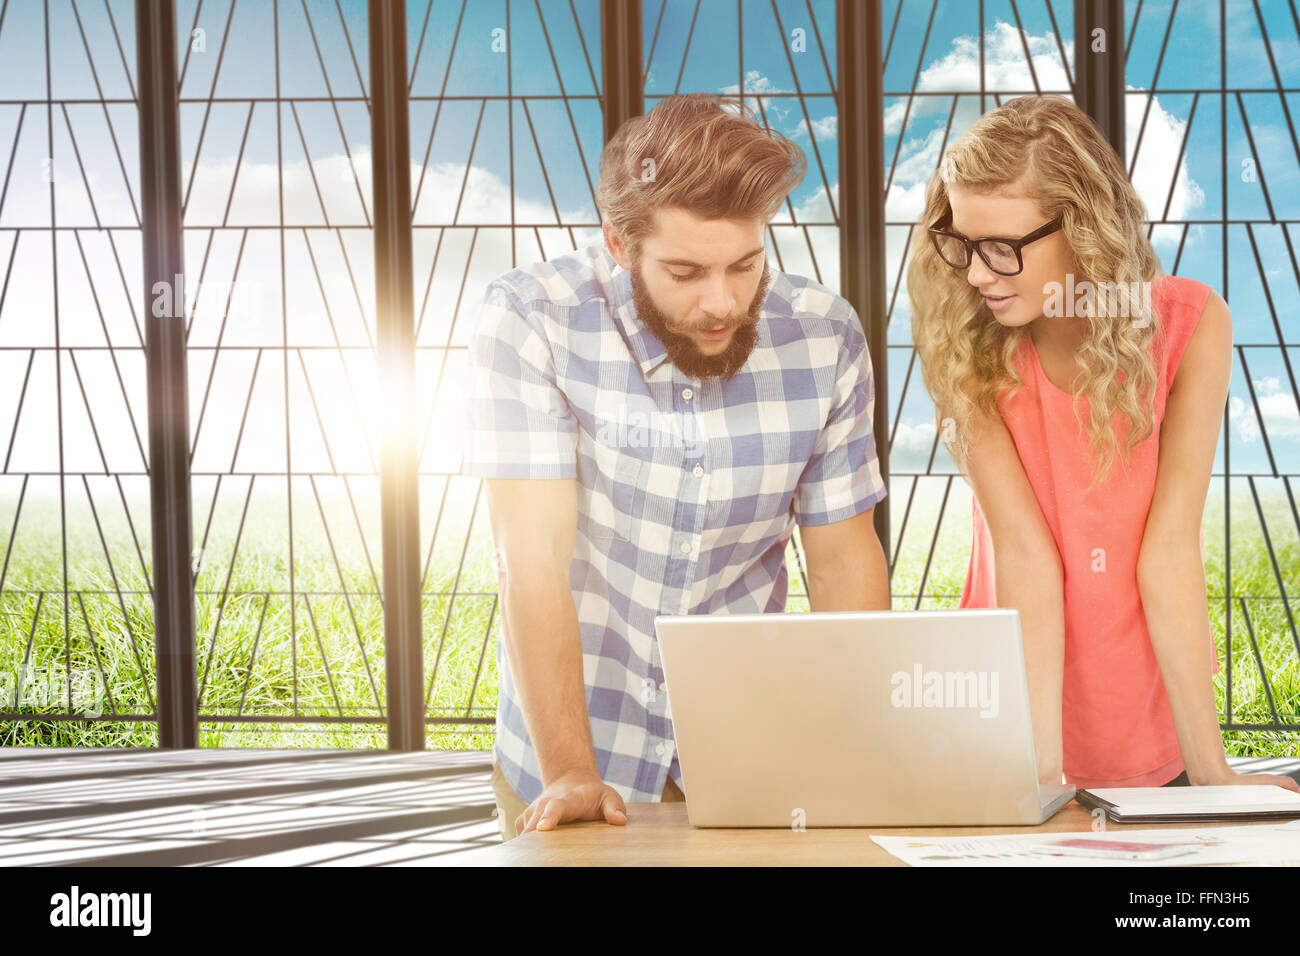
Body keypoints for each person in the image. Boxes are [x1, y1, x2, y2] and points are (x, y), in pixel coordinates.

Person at [463, 92, 891, 841]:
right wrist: (570, 770)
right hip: (569, 750)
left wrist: (854, 754)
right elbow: (529, 560)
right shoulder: (533, 319)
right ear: (619, 245)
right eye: (686, 271)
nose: (722, 302)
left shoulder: (826, 338)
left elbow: (843, 563)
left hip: (751, 757)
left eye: (746, 264)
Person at [907, 95, 1298, 794]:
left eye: (1003, 249)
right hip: (1015, 725)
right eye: (964, 243)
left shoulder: (1192, 325)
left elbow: (1169, 548)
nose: (975, 273)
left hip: (1149, 723)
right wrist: (1041, 777)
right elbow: (1025, 558)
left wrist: (1211, 770)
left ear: (1083, 227)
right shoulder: (968, 347)